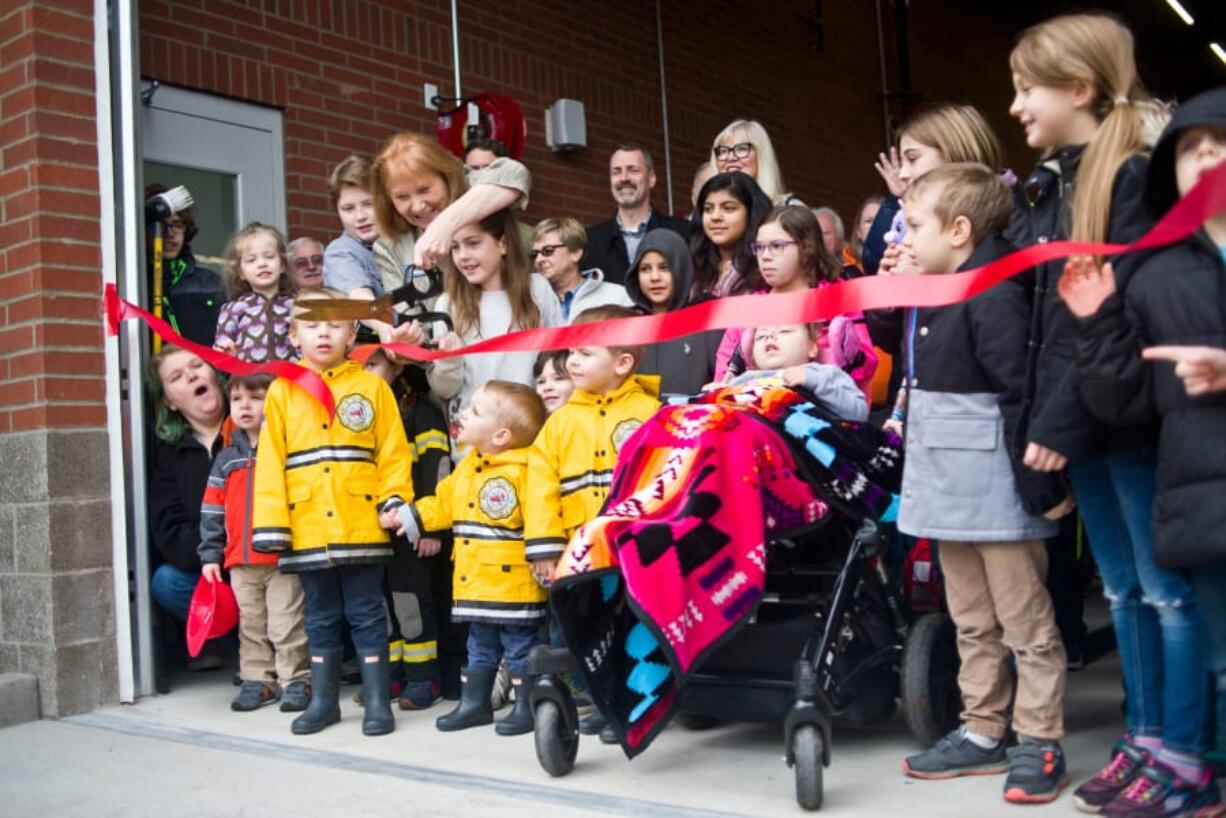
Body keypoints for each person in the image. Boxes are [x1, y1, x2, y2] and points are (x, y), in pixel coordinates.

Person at [1009, 18, 1213, 817]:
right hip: (1081, 417)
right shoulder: (1055, 181)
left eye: (1030, 87)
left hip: (1123, 417)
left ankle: (1183, 753)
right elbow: (1049, 322)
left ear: (1081, 90)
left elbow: (1110, 316)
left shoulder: (1128, 180)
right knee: (1124, 593)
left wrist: (1056, 424)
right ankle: (1145, 739)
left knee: (1166, 594)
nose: (1017, 103)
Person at [1058, 87, 1226, 816]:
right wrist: (1096, 325)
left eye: (1220, 143)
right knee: (1219, 656)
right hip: (1205, 490)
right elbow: (1124, 399)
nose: (1208, 158)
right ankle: (1191, 763)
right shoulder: (1157, 273)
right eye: (1191, 148)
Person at [894, 164, 1072, 804]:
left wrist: (1038, 482)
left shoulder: (992, 293)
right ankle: (982, 729)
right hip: (947, 489)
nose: (905, 238)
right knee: (970, 619)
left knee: (1025, 621)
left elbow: (1017, 392)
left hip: (996, 490)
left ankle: (1039, 737)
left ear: (961, 230)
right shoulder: (936, 288)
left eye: (916, 226)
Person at [251, 289, 414, 737]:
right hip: (305, 528)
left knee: (366, 612)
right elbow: (270, 461)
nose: (323, 332)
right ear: (293, 334)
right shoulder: (282, 390)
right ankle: (324, 701)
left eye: (334, 324)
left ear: (351, 332)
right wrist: (271, 524)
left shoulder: (372, 387)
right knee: (319, 616)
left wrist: (394, 501)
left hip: (360, 523)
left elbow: (393, 454)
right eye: (311, 324)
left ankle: (378, 701)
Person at [382, 381, 548, 736]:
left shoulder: (525, 472)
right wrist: (408, 516)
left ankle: (526, 706)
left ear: (501, 435)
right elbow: (443, 504)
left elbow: (541, 517)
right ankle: (475, 703)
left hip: (513, 583)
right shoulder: (468, 467)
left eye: (475, 412)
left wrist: (543, 555)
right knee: (479, 645)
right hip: (475, 580)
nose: (462, 414)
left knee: (519, 646)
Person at [524, 305, 662, 581]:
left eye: (585, 353)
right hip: (577, 549)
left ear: (622, 363)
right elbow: (540, 486)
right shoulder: (559, 422)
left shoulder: (652, 413)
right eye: (572, 351)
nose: (572, 361)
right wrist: (545, 547)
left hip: (640, 545)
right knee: (578, 622)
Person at [198, 373, 310, 713]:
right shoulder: (226, 458)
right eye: (236, 399)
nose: (244, 405)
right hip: (239, 560)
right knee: (251, 625)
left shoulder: (287, 451)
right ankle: (258, 680)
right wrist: (210, 554)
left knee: (286, 622)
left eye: (256, 397)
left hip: (281, 559)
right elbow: (212, 508)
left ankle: (296, 680)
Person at [366, 132, 532, 350]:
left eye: (425, 190)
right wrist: (407, 342)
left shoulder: (473, 191)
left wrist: (445, 225)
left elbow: (515, 174)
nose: (417, 206)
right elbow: (413, 321)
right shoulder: (389, 247)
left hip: (517, 341)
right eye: (402, 197)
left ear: (446, 177)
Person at [363, 348, 456, 708]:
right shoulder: (356, 413)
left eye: (372, 364)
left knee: (411, 605)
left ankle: (424, 679)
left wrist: (431, 528)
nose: (364, 372)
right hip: (370, 532)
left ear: (396, 365)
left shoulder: (419, 410)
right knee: (383, 605)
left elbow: (438, 469)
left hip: (412, 530)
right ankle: (392, 677)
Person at [426, 208, 564, 443]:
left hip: (533, 436)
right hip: (474, 446)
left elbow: (558, 359)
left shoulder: (537, 289)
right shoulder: (448, 304)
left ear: (503, 244)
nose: (463, 256)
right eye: (455, 247)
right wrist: (448, 360)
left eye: (473, 243)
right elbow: (445, 390)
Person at [714, 206, 877, 399]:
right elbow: (725, 372)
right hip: (758, 414)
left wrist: (840, 357)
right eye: (759, 247)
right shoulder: (749, 308)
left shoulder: (838, 299)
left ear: (806, 247)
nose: (765, 256)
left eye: (776, 246)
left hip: (825, 415)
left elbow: (866, 368)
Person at [147, 346, 230, 667]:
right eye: (177, 377)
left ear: (214, 374)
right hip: (212, 572)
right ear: (170, 401)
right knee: (166, 582)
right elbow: (170, 534)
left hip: (264, 563)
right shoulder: (170, 454)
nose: (192, 375)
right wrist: (218, 549)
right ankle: (228, 642)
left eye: (197, 365)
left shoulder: (248, 428)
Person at [864, 104, 1006, 277]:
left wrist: (920, 285)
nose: (902, 174)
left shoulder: (1006, 224)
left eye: (912, 159)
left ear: (954, 153)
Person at [625, 229, 721, 397]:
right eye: (645, 269)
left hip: (694, 419)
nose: (655, 277)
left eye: (664, 267)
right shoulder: (627, 323)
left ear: (681, 269)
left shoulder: (708, 320)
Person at [583, 144, 691, 286]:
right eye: (616, 172)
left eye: (633, 170)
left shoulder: (683, 233)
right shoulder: (589, 242)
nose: (623, 178)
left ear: (651, 178)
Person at [724, 324, 868, 421]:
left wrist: (816, 382)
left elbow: (859, 414)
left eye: (784, 330)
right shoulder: (744, 380)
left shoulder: (823, 374)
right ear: (753, 358)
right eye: (760, 337)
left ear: (811, 347)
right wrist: (714, 393)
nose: (769, 336)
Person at [145, 182, 225, 346]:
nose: (170, 233)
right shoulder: (134, 284)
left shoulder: (210, 282)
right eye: (161, 225)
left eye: (177, 224)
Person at [212, 222, 296, 362]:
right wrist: (226, 350)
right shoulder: (233, 309)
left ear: (282, 265)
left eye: (269, 257)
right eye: (251, 260)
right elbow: (221, 345)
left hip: (290, 380)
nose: (262, 264)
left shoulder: (296, 305)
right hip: (249, 380)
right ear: (240, 273)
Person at [690, 172, 773, 298]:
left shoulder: (767, 264)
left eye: (728, 208)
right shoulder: (694, 267)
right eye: (708, 209)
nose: (715, 217)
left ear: (751, 213)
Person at [531, 217, 633, 321]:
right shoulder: (526, 298)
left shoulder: (617, 296)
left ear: (575, 253)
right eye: (535, 254)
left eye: (548, 251)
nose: (538, 260)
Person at [322, 155, 382, 305]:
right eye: (348, 208)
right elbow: (361, 299)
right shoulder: (339, 252)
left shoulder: (407, 236)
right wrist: (388, 328)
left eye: (368, 204)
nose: (360, 216)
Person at [710, 118, 801, 206]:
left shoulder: (790, 209)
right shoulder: (706, 215)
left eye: (742, 149)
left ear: (761, 155)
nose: (730, 157)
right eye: (723, 151)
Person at [850, 195, 884, 266]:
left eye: (881, 219)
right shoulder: (845, 273)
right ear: (858, 231)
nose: (875, 225)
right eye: (868, 221)